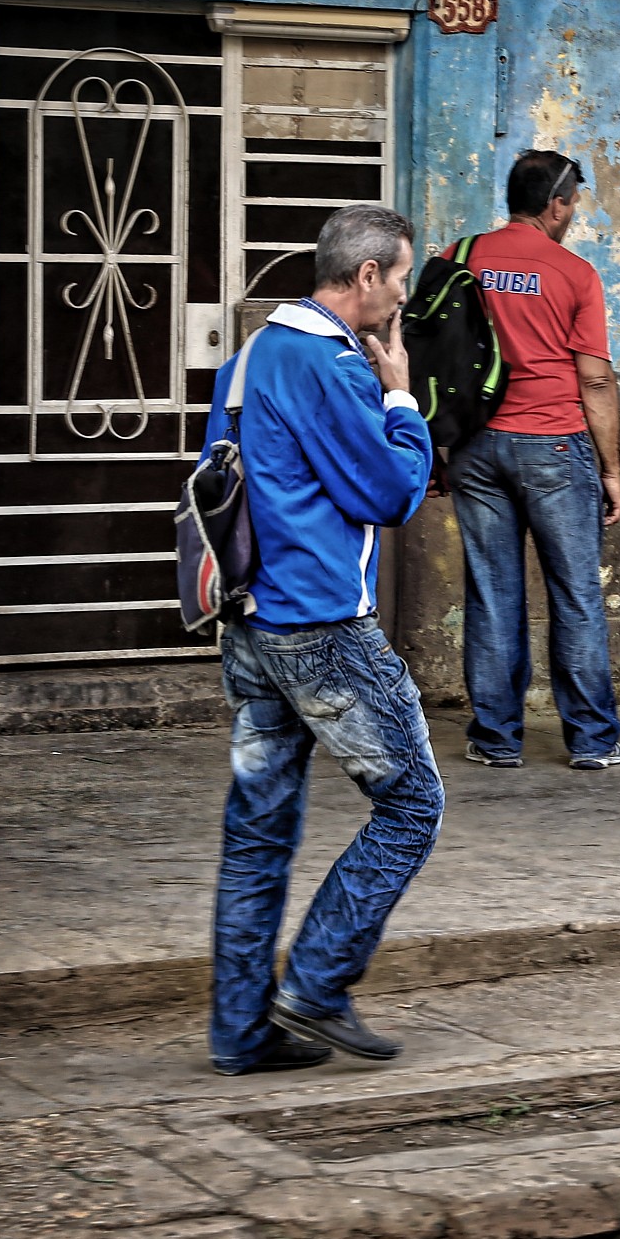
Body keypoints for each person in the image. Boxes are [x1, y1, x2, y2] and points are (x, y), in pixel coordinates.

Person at [205, 204, 440, 1076]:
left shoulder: (249, 357)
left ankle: (239, 1031)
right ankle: (315, 984)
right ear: (367, 276)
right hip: (322, 630)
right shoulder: (331, 365)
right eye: (402, 277)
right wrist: (401, 395)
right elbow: (390, 491)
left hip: (250, 626)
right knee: (414, 804)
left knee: (257, 833)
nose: (403, 296)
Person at [448, 151, 620, 770]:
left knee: (493, 595)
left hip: (474, 448)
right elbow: (596, 383)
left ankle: (497, 740)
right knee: (575, 595)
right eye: (573, 202)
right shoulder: (574, 274)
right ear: (555, 204)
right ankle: (593, 742)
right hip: (554, 443)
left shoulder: (459, 257)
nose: (573, 213)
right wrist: (610, 469)